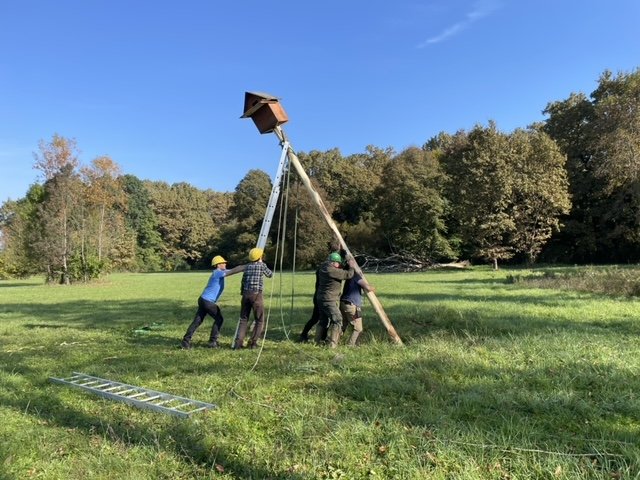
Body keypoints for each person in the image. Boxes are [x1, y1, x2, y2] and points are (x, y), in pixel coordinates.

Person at [180, 255, 245, 349]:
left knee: (197, 321)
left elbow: (233, 270)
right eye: (223, 262)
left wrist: (243, 268)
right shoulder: (218, 273)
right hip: (207, 301)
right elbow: (233, 271)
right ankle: (212, 342)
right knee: (219, 319)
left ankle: (185, 341)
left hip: (203, 299)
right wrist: (248, 266)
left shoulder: (220, 272)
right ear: (218, 265)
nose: (225, 264)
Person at [233, 247, 273, 350]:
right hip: (256, 295)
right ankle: (253, 343)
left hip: (246, 294)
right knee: (259, 319)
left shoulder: (247, 266)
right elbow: (270, 275)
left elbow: (243, 281)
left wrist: (243, 292)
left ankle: (238, 344)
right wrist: (262, 262)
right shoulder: (262, 266)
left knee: (243, 319)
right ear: (260, 257)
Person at [315, 252, 356, 348]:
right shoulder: (332, 271)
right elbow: (348, 275)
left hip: (321, 299)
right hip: (329, 300)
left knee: (323, 320)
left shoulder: (323, 268)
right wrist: (352, 266)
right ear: (333, 263)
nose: (339, 265)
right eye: (338, 263)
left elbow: (340, 270)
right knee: (337, 320)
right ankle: (332, 344)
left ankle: (317, 341)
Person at [339, 271, 375, 346]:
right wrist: (372, 287)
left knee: (343, 325)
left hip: (343, 303)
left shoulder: (350, 275)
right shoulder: (356, 276)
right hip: (351, 305)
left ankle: (334, 342)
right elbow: (368, 287)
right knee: (358, 328)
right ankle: (351, 345)